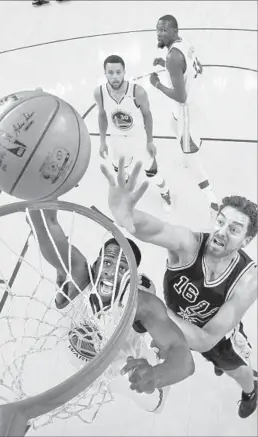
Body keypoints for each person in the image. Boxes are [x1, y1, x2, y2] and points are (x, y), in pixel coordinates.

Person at [101, 157, 258, 419]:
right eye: (220, 222)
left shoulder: (248, 281)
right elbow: (157, 229)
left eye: (234, 229)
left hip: (217, 338)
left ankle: (251, 390)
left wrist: (158, 312)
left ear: (247, 240)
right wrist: (127, 216)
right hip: (178, 323)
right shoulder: (189, 244)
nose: (221, 232)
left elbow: (206, 339)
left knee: (234, 369)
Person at [27, 208, 194, 412]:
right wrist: (38, 207)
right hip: (82, 364)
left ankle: (154, 351)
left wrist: (157, 376)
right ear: (96, 265)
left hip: (124, 372)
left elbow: (185, 359)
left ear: (131, 278)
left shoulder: (141, 304)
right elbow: (53, 238)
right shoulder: (80, 279)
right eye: (107, 262)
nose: (110, 270)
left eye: (122, 268)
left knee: (154, 405)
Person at [150, 15, 218, 218]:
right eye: (157, 29)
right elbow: (198, 67)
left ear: (174, 31)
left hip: (186, 108)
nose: (159, 33)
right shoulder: (184, 43)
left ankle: (212, 200)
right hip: (196, 101)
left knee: (190, 159)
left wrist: (157, 84)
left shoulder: (173, 57)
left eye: (163, 30)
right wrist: (166, 63)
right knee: (173, 122)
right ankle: (193, 141)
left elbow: (180, 96)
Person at [94, 54, 172, 210]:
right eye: (111, 73)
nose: (115, 76)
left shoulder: (138, 92)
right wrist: (102, 141)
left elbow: (147, 116)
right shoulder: (99, 93)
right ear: (105, 73)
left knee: (152, 172)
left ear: (124, 72)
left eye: (118, 72)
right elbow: (102, 115)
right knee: (120, 172)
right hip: (116, 139)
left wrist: (150, 141)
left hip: (138, 138)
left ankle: (166, 194)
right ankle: (129, 184)